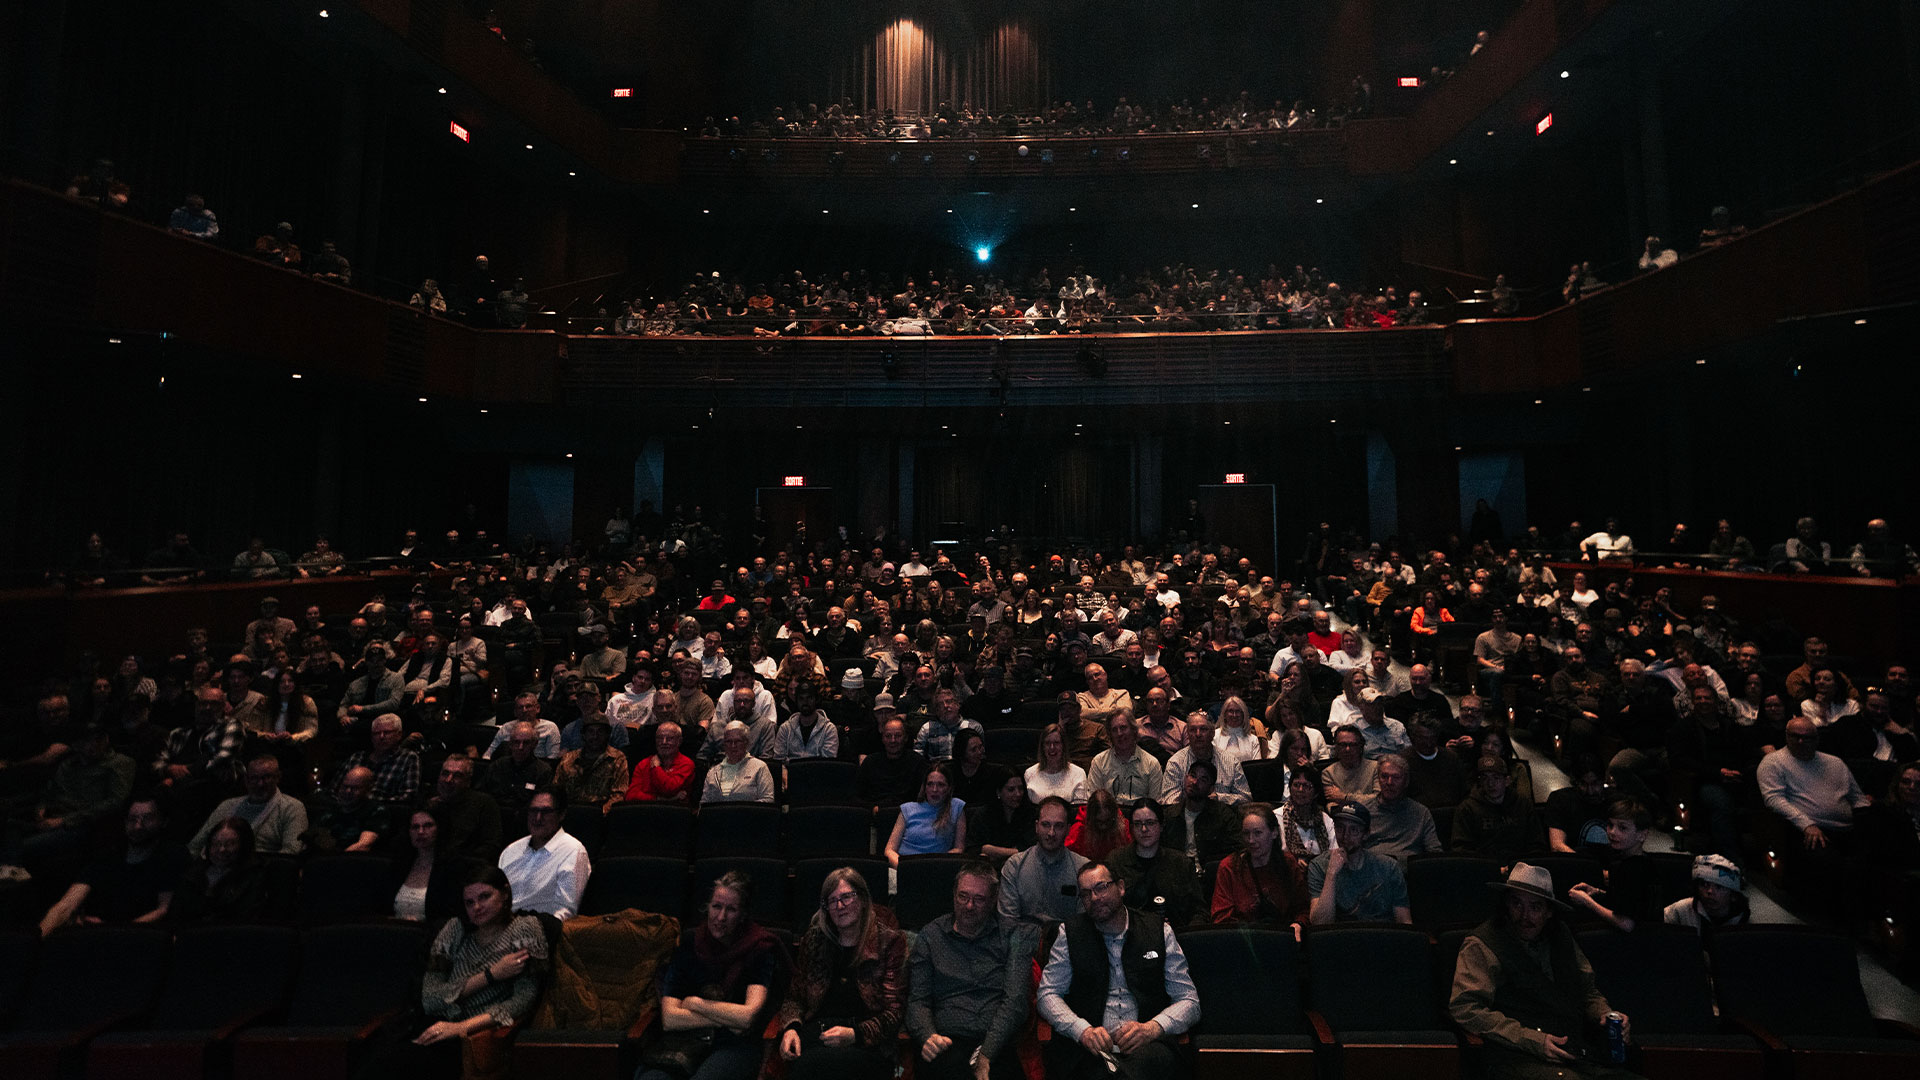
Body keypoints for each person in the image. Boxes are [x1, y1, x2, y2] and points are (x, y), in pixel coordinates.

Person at [1449, 863, 1642, 1079]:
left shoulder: (1560, 936)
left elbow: (1587, 991)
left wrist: (1605, 1015)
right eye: (1516, 904)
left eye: (1535, 907)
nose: (1525, 915)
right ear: (1505, 904)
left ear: (1549, 911)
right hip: (1516, 1056)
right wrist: (1533, 1040)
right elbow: (1465, 1008)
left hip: (1575, 1052)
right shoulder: (1484, 943)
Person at [1036, 860, 1201, 1080]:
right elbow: (1047, 994)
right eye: (1086, 894)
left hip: (1148, 1046)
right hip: (1091, 1048)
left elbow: (1189, 1001)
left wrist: (1152, 1028)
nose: (1094, 898)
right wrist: (1082, 1030)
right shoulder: (1070, 934)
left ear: (1121, 887)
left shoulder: (1158, 930)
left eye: (1101, 887)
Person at [382, 866, 549, 1079]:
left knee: (403, 1064)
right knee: (383, 1059)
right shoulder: (455, 928)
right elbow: (430, 999)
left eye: (485, 897)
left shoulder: (525, 929)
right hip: (431, 1023)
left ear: (505, 893)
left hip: (475, 1035)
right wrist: (490, 975)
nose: (476, 907)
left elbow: (523, 1002)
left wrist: (461, 1027)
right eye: (469, 902)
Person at [638, 871, 785, 1080]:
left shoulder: (759, 948)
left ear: (742, 914)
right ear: (708, 907)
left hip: (733, 1046)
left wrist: (695, 1003)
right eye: (716, 906)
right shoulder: (690, 943)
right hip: (683, 1041)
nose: (721, 917)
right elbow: (670, 1019)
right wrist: (728, 1020)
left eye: (731, 909)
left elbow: (748, 1017)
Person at [906, 861, 1041, 1080]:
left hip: (997, 1042)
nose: (969, 906)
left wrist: (986, 1054)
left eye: (979, 899)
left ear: (993, 901)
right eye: (963, 896)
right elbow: (917, 1000)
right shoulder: (931, 936)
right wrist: (927, 1035)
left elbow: (1015, 1002)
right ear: (953, 895)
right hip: (946, 1041)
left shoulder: (1014, 936)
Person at [775, 867, 909, 1080]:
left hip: (866, 1044)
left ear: (863, 900)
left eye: (847, 897)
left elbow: (894, 1013)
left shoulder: (889, 942)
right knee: (798, 1059)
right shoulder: (814, 940)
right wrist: (790, 1028)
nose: (839, 906)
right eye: (832, 900)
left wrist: (855, 1034)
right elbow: (795, 997)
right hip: (818, 1034)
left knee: (807, 1067)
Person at [38, 796, 187, 935]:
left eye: (147, 819)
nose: (138, 826)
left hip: (140, 940)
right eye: (132, 819)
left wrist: (110, 932)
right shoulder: (109, 856)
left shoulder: (171, 856)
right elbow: (67, 904)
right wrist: (38, 939)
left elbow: (163, 911)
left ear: (163, 821)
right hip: (98, 937)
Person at [1307, 800, 1411, 924]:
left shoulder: (1388, 867)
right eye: (1340, 828)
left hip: (1381, 937)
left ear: (1366, 834)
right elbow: (1320, 924)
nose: (1345, 836)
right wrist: (1331, 874)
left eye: (1354, 830)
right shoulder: (1319, 866)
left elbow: (1404, 921)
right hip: (1342, 938)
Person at [1211, 801, 1308, 934]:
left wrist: (1299, 924)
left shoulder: (1287, 863)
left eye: (1257, 833)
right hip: (1244, 941)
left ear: (1273, 833)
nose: (1251, 840)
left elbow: (1302, 908)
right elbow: (1221, 918)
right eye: (1246, 833)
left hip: (1282, 937)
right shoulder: (1229, 867)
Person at [496, 788, 591, 920]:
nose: (538, 818)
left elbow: (566, 911)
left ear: (561, 815)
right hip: (501, 925)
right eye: (533, 811)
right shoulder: (511, 850)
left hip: (541, 930)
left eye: (546, 812)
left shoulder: (573, 851)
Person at [1566, 799, 1657, 933]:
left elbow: (1626, 924)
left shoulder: (1633, 869)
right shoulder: (1637, 861)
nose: (1612, 832)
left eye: (1622, 828)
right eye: (1610, 825)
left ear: (1642, 835)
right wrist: (1597, 892)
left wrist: (1587, 902)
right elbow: (1628, 900)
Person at [188, 754, 308, 856]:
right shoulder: (228, 806)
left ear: (278, 778)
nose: (260, 784)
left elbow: (292, 853)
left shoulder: (292, 808)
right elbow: (197, 844)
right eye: (254, 778)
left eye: (267, 777)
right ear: (246, 780)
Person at [1109, 799, 1203, 928]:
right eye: (1137, 824)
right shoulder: (1116, 861)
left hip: (1176, 936)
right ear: (1131, 828)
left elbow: (1199, 911)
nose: (1144, 829)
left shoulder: (1181, 863)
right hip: (1128, 937)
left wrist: (1186, 936)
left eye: (1150, 823)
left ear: (1161, 826)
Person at [997, 796, 1089, 927]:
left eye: (1059, 826)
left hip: (1067, 944)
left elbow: (1083, 927)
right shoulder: (1014, 866)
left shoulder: (1082, 869)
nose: (1051, 833)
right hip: (1024, 945)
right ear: (1036, 826)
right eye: (1046, 825)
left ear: (1068, 829)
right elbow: (1008, 924)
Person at [170, 816, 274, 923]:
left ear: (244, 846)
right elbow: (176, 913)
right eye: (216, 843)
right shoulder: (194, 874)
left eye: (230, 844)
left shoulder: (255, 876)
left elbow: (245, 917)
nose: (222, 849)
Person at [1451, 756, 1544, 866]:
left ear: (1507, 781)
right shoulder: (1467, 809)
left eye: (1496, 778)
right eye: (1485, 778)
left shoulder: (1522, 805)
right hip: (1482, 870)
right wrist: (1492, 868)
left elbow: (1536, 844)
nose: (1490, 784)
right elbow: (1461, 849)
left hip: (1521, 869)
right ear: (1480, 781)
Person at [391, 808, 468, 923]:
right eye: (415, 827)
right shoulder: (399, 865)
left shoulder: (453, 867)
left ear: (439, 829)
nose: (421, 831)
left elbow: (453, 914)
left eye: (428, 825)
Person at [886, 763, 968, 867]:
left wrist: (938, 864)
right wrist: (904, 868)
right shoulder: (907, 809)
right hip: (904, 866)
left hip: (937, 867)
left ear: (949, 788)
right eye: (930, 784)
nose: (934, 789)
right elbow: (889, 850)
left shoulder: (956, 806)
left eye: (940, 785)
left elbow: (959, 849)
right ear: (924, 787)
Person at [1661, 853, 1751, 938]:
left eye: (1719, 887)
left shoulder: (1741, 920)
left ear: (1733, 895)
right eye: (1704, 884)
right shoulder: (1681, 909)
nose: (1710, 891)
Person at [1085, 709, 1164, 803]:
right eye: (1114, 730)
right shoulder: (1099, 762)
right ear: (1110, 735)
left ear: (1134, 730)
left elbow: (1155, 805)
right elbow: (1094, 802)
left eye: (1123, 728)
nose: (1119, 734)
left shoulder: (1151, 764)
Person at [553, 717, 628, 812]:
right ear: (584, 735)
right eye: (590, 732)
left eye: (600, 732)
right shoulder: (569, 758)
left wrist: (600, 814)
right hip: (570, 811)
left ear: (607, 735)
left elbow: (618, 794)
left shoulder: (617, 758)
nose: (595, 736)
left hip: (602, 814)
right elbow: (556, 789)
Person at [702, 721, 777, 804]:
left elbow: (768, 800)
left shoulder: (759, 767)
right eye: (729, 742)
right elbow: (704, 804)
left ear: (746, 743)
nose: (733, 746)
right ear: (724, 745)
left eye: (737, 741)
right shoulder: (713, 772)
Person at [969, 772, 1036, 864]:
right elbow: (973, 849)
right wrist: (1014, 852)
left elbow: (1031, 850)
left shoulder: (1031, 814)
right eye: (1011, 789)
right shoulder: (983, 815)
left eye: (1021, 788)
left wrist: (990, 850)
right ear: (998, 792)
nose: (1018, 794)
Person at [625, 719, 697, 803]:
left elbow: (669, 789)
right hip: (645, 812)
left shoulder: (686, 764)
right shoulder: (643, 764)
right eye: (660, 738)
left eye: (670, 738)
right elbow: (630, 796)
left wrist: (656, 768)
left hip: (675, 813)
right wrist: (661, 799)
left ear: (679, 741)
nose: (664, 742)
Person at [1278, 767, 1336, 860]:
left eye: (1306, 786)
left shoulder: (1326, 820)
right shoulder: (1276, 818)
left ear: (1316, 793)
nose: (1300, 790)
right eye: (1296, 785)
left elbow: (1334, 855)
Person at [1024, 723, 1087, 804]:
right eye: (1047, 743)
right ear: (1042, 747)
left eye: (1056, 743)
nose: (1052, 747)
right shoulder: (1029, 773)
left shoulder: (1078, 774)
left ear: (1063, 746)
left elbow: (1080, 812)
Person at [1065, 786, 1131, 864]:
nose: (1104, 826)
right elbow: (1068, 857)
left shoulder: (1123, 827)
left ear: (1113, 817)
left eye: (1107, 821)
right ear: (1091, 819)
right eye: (1099, 822)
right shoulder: (1079, 831)